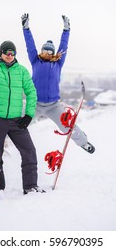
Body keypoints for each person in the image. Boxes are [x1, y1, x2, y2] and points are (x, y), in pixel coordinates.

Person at [0, 40, 45, 194]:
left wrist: (29, 114)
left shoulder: (22, 71)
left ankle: (30, 186)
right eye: (7, 53)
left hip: (17, 120)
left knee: (29, 151)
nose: (10, 56)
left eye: (13, 53)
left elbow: (31, 92)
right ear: (1, 53)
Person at [21, 13, 95, 154]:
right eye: (45, 50)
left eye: (50, 51)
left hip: (53, 105)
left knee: (68, 126)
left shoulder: (58, 63)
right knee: (17, 123)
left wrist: (66, 31)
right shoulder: (35, 61)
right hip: (34, 104)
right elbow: (29, 45)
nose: (48, 53)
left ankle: (83, 142)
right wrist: (26, 29)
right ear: (41, 51)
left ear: (54, 53)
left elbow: (64, 46)